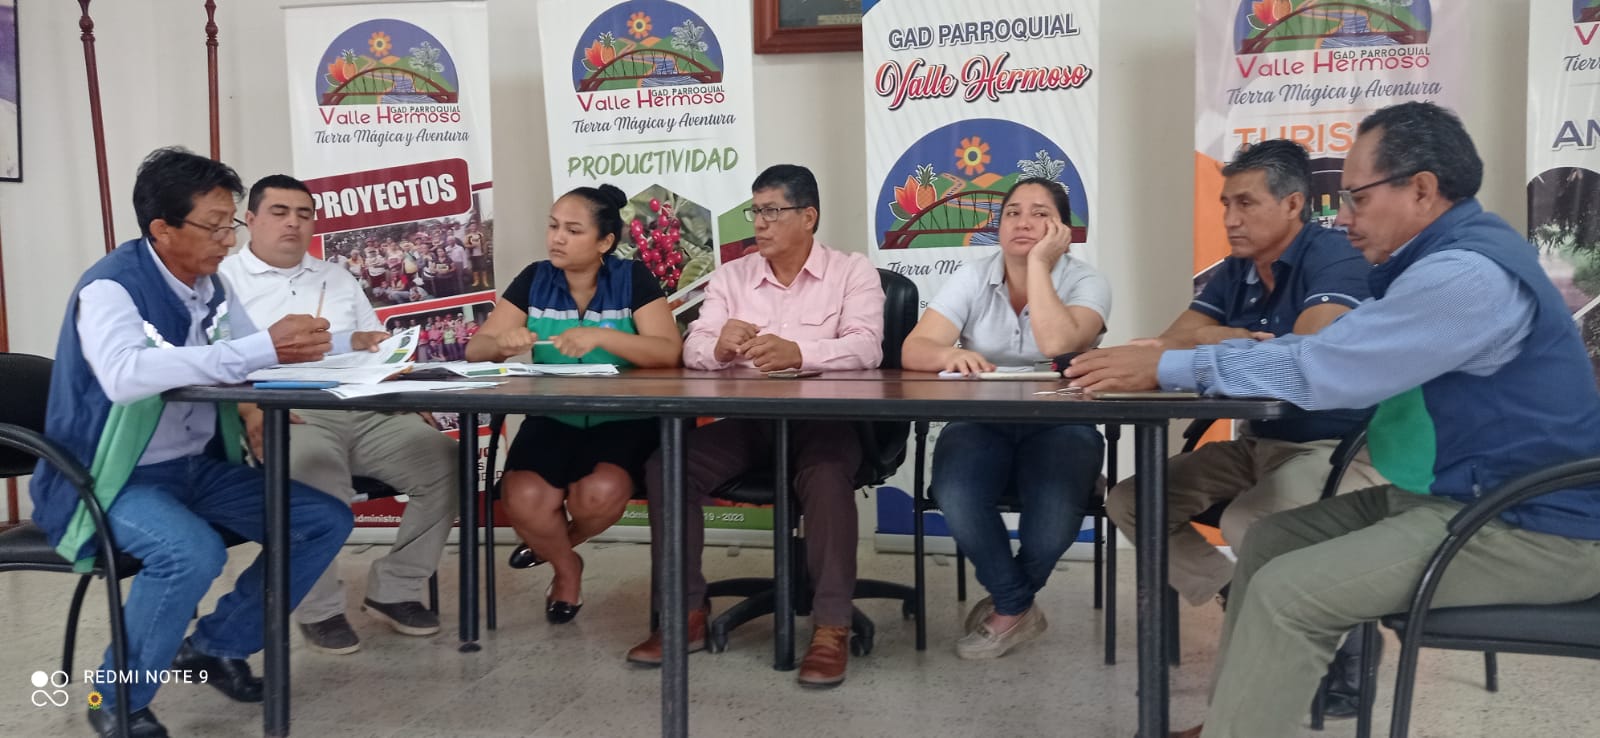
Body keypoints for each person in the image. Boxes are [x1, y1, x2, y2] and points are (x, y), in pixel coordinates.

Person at [1070, 101, 1600, 738]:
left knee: (1287, 591)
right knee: (1269, 543)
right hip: (1456, 498)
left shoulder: (1465, 276)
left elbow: (1323, 368)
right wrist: (1180, 357)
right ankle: (1233, 722)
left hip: (1531, 527)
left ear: (1421, 190)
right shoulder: (1436, 262)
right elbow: (1322, 348)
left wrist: (1171, 366)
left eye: (1357, 198)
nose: (1344, 217)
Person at [30, 148, 353, 738]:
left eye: (230, 224)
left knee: (320, 520)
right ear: (162, 229)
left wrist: (341, 357)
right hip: (110, 476)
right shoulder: (110, 288)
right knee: (191, 552)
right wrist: (261, 350)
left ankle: (215, 646)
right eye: (214, 226)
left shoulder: (212, 287)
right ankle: (114, 698)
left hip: (194, 468)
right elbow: (126, 375)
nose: (228, 240)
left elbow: (257, 361)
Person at [1101, 139, 1386, 714]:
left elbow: (1307, 352)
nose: (1229, 219)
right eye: (1225, 204)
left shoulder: (1335, 256)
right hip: (1261, 443)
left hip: (1341, 445)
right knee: (1132, 501)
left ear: (1293, 204)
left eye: (1246, 203)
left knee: (1246, 521)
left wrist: (1206, 341)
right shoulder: (1236, 271)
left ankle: (1348, 642)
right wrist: (1222, 337)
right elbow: (1165, 342)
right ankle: (1243, 595)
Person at [624, 164, 886, 688]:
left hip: (824, 420)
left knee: (826, 474)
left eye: (772, 211)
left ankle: (831, 626)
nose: (760, 223)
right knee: (668, 466)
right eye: (755, 211)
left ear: (808, 217)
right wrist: (718, 349)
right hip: (749, 421)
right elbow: (694, 348)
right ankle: (685, 612)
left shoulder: (852, 272)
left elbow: (867, 346)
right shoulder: (732, 276)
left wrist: (801, 353)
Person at [219, 174, 459, 655]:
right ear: (251, 219)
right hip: (288, 411)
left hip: (364, 406)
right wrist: (249, 409)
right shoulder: (222, 280)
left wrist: (407, 393)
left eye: (303, 214)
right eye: (280, 212)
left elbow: (376, 347)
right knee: (315, 473)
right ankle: (319, 608)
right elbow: (216, 363)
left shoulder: (337, 276)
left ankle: (396, 587)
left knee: (445, 462)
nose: (293, 223)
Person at [899, 177, 1109, 659]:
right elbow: (915, 348)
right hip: (982, 417)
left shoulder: (1086, 281)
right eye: (1013, 212)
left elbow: (1060, 343)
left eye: (1040, 213)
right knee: (955, 492)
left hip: (1062, 420)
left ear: (1062, 229)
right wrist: (948, 355)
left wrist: (1038, 265)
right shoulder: (973, 276)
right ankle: (1015, 605)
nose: (1023, 222)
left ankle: (1007, 603)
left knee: (1052, 516)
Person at [466, 184, 682, 624]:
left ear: (605, 242)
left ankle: (555, 543)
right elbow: (476, 349)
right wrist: (503, 344)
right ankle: (567, 569)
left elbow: (668, 351)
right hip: (552, 413)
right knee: (524, 498)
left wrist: (602, 337)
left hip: (625, 417)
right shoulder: (535, 278)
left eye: (573, 230)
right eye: (553, 227)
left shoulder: (632, 278)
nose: (557, 238)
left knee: (596, 496)